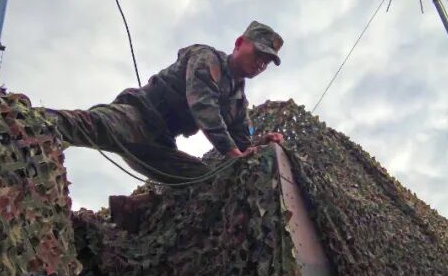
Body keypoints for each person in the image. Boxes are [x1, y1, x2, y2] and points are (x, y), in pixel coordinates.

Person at [45, 21, 285, 185]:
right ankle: (27, 122)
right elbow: (203, 106)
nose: (261, 63)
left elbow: (242, 143)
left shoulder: (238, 102)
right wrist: (232, 152)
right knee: (83, 126)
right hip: (138, 116)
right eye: (259, 54)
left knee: (202, 179)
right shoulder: (207, 58)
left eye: (267, 61)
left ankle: (140, 210)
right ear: (240, 42)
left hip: (161, 145)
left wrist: (261, 145)